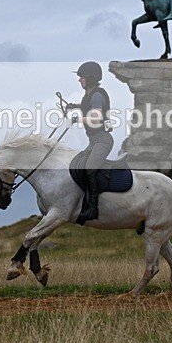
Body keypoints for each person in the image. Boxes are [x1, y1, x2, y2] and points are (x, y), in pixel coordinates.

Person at [68, 61, 113, 224]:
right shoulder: (90, 95)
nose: (79, 80)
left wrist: (77, 118)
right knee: (79, 165)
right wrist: (74, 106)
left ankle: (94, 209)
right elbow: (86, 105)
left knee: (89, 167)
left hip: (102, 140)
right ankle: (84, 202)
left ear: (91, 79)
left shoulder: (97, 96)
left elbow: (96, 117)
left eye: (82, 77)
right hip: (94, 141)